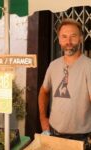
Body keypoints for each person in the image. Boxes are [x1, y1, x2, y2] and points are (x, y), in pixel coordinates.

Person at [38, 18, 91, 149]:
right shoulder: (53, 65)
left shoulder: (89, 66)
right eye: (64, 37)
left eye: (73, 36)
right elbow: (43, 92)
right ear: (59, 39)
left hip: (81, 138)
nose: (68, 42)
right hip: (53, 133)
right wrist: (43, 119)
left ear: (81, 38)